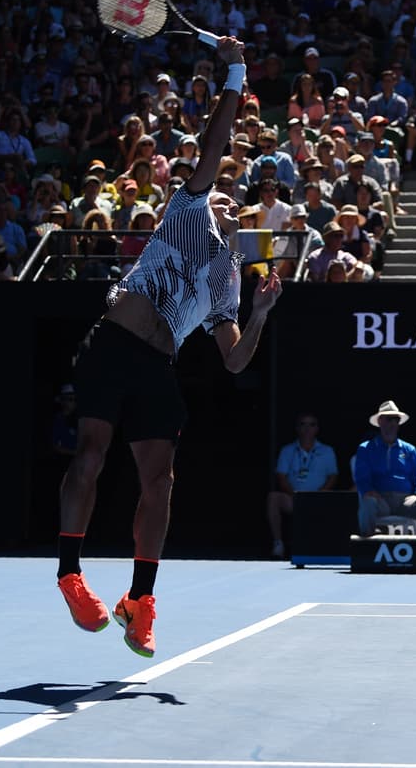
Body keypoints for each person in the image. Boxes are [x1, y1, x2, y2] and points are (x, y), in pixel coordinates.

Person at [54, 36, 282, 658]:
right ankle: (70, 574)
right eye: (222, 190)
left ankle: (141, 601)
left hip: (158, 366)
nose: (228, 197)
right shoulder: (187, 209)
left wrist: (260, 316)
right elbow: (217, 140)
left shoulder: (228, 277)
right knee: (91, 455)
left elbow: (234, 359)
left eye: (235, 198)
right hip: (114, 343)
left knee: (161, 481)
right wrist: (235, 71)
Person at [354, 400, 416, 537]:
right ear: (380, 421)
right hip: (380, 499)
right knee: (368, 502)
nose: (393, 424)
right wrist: (368, 490)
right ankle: (367, 543)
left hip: (405, 501)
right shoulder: (365, 448)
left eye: (396, 420)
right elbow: (361, 478)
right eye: (389, 419)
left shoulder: (410, 449)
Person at [268, 412, 340, 558]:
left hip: (319, 499)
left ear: (317, 429)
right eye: (303, 424)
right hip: (294, 498)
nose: (307, 428)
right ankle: (278, 543)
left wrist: (319, 495)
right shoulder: (287, 450)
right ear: (297, 428)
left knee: (338, 501)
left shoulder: (327, 451)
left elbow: (333, 476)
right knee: (273, 497)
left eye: (311, 425)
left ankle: (330, 546)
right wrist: (295, 495)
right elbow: (281, 476)